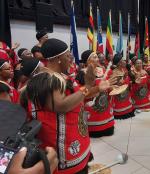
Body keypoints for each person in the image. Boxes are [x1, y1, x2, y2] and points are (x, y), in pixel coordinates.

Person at [25, 38, 113, 174]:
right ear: (58, 58)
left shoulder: (60, 76)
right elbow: (61, 105)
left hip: (75, 138)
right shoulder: (47, 78)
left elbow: (78, 96)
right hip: (63, 149)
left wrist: (97, 88)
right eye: (68, 56)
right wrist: (88, 86)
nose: (71, 60)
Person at [76, 50, 115, 138]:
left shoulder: (102, 70)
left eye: (97, 56)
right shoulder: (82, 73)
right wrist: (95, 90)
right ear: (87, 61)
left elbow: (108, 83)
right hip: (91, 105)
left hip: (104, 103)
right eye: (94, 57)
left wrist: (111, 88)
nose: (97, 59)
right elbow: (82, 92)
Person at [108, 53, 135, 119]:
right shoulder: (114, 72)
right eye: (123, 60)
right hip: (119, 96)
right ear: (119, 63)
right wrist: (124, 78)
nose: (125, 61)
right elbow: (114, 85)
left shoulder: (124, 70)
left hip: (126, 94)